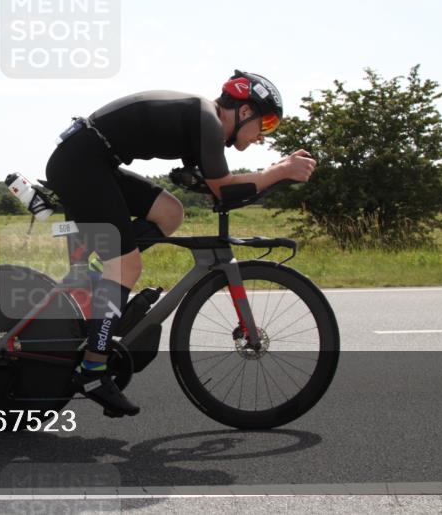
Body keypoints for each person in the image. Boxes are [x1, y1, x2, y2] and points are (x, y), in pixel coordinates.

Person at [43, 70, 316, 417]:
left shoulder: (203, 122)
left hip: (93, 160)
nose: (263, 135)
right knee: (127, 266)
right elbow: (225, 187)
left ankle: (100, 281)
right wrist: (278, 172)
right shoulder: (207, 120)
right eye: (267, 124)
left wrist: (271, 173)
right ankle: (93, 371)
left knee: (170, 214)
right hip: (81, 164)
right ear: (245, 111)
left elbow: (219, 186)